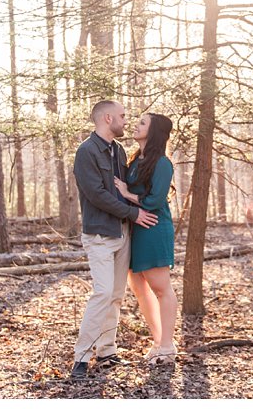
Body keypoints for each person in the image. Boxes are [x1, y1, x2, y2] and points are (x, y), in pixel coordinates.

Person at [70, 100, 158, 381]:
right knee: (103, 292)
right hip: (99, 234)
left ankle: (106, 350)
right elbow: (97, 194)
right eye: (121, 116)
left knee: (117, 296)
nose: (125, 120)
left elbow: (124, 189)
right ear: (107, 119)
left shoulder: (118, 150)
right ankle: (81, 357)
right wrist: (134, 213)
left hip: (123, 234)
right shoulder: (86, 152)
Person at [114, 112, 178, 365]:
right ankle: (158, 341)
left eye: (142, 123)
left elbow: (155, 200)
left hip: (153, 227)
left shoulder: (162, 163)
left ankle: (168, 346)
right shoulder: (134, 160)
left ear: (153, 132)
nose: (135, 125)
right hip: (135, 229)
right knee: (139, 288)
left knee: (161, 288)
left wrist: (128, 195)